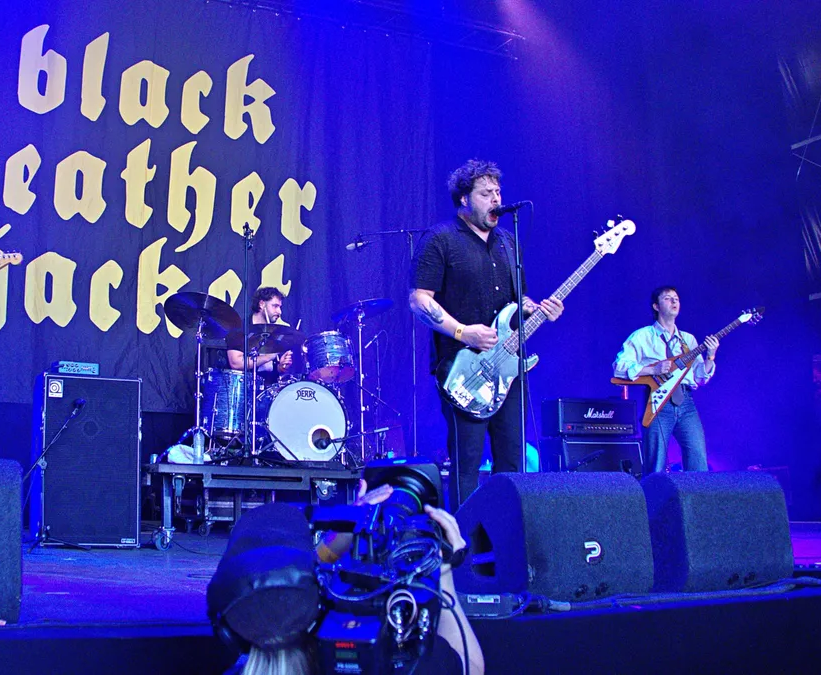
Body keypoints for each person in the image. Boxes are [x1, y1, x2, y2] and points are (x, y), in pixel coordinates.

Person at [409, 159, 563, 509]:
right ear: (464, 199)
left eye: (498, 192)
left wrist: (538, 310)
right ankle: (462, 538)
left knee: (513, 461)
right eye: (485, 193)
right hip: (462, 368)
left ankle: (505, 534)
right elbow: (419, 300)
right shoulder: (440, 239)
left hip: (508, 367)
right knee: (467, 463)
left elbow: (517, 302)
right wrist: (463, 332)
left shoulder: (508, 242)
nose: (496, 199)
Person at [210, 481, 484, 675]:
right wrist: (444, 570)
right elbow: (471, 667)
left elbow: (287, 578)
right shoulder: (399, 664)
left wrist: (336, 542)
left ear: (228, 631)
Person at [612, 286, 718, 475]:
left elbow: (700, 378)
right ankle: (654, 494)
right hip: (657, 403)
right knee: (656, 463)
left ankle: (698, 493)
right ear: (656, 306)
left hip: (686, 402)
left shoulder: (688, 340)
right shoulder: (642, 336)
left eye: (676, 298)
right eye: (668, 298)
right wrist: (652, 369)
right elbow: (619, 367)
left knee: (698, 458)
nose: (674, 301)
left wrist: (710, 356)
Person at [228, 287, 294, 380]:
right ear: (262, 304)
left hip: (269, 386)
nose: (279, 312)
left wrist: (280, 367)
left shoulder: (274, 332)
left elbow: (272, 370)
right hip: (246, 384)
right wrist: (268, 357)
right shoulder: (240, 329)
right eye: (275, 306)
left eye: (280, 307)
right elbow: (236, 363)